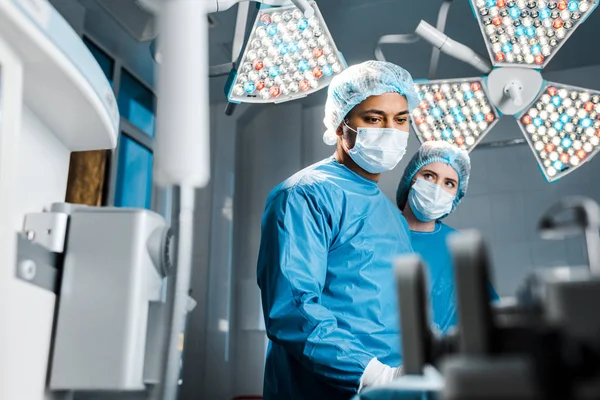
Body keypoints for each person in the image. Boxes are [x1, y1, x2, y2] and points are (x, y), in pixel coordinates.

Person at [256, 61, 420, 400]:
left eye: (401, 119)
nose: (391, 130)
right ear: (340, 124)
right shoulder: (304, 194)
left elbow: (390, 308)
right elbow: (292, 308)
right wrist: (376, 376)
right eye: (374, 119)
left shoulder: (391, 215)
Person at [396, 141, 499, 335]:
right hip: (378, 360)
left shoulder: (459, 248)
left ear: (456, 196)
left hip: (444, 358)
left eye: (449, 183)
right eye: (429, 176)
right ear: (411, 178)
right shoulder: (376, 232)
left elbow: (491, 313)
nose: (437, 188)